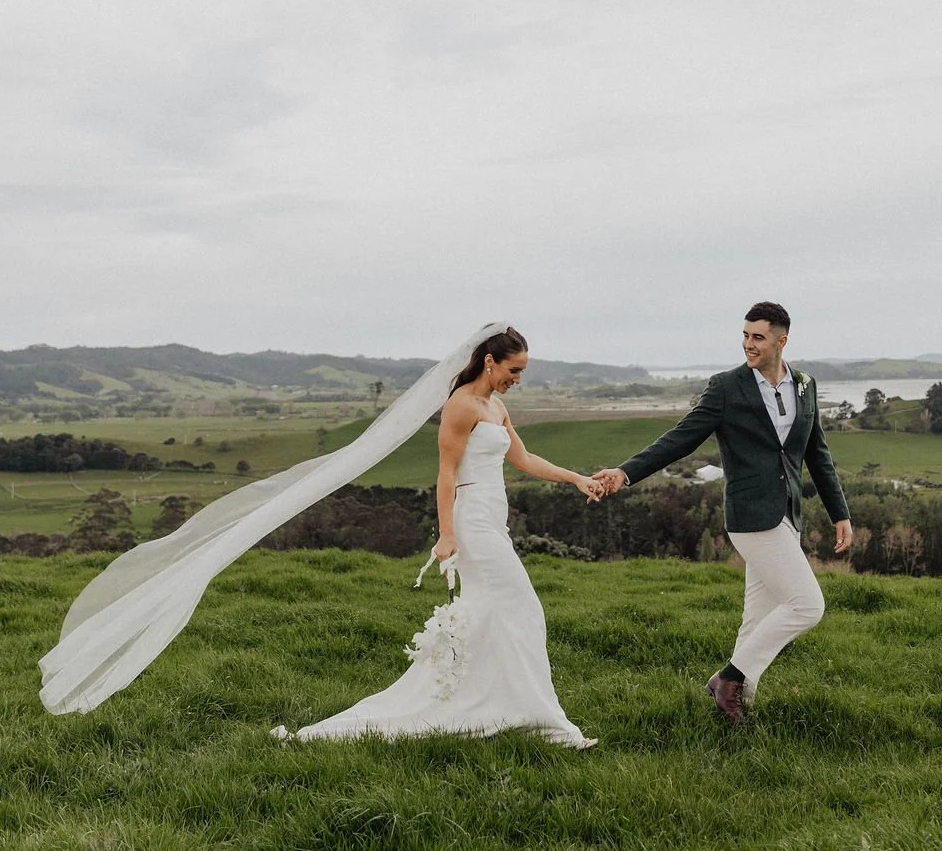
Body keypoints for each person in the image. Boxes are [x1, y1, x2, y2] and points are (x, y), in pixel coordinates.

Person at [276, 326, 602, 747]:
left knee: (493, 614)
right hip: (472, 522)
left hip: (493, 520)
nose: (517, 379)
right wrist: (447, 535)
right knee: (524, 609)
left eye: (522, 372)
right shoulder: (461, 406)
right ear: (490, 361)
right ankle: (547, 722)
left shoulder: (495, 406)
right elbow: (446, 474)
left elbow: (522, 458)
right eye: (513, 370)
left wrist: (575, 478)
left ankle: (496, 702)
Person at [593, 302, 849, 722]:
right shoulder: (726, 387)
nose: (748, 344)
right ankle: (727, 680)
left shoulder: (805, 384)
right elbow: (681, 438)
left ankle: (736, 705)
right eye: (745, 335)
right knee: (807, 605)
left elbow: (816, 452)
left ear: (781, 341)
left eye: (758, 337)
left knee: (758, 616)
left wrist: (840, 512)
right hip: (750, 515)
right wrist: (625, 472)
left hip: (789, 512)